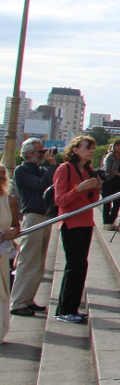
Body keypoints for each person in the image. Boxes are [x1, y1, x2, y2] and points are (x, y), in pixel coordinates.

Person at [53, 135, 102, 324]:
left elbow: (91, 201)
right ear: (75, 150)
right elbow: (60, 201)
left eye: (92, 147)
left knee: (80, 266)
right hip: (70, 222)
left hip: (85, 222)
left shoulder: (89, 170)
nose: (91, 150)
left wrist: (97, 187)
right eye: (87, 147)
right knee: (76, 265)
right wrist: (77, 188)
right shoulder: (64, 168)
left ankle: (70, 308)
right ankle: (65, 309)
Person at [9, 138, 58, 318]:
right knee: (28, 260)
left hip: (44, 216)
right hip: (33, 216)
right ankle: (18, 302)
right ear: (28, 154)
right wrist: (52, 166)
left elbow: (53, 184)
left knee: (38, 263)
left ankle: (28, 299)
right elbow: (42, 185)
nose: (43, 155)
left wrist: (52, 167)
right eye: (40, 152)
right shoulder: (22, 170)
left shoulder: (41, 170)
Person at [0, 166, 22, 342]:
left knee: (2, 293)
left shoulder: (10, 200)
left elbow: (16, 224)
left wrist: (13, 232)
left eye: (1, 178)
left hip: (2, 253)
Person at [100, 139, 120, 231]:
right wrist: (118, 173)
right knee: (107, 202)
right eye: (118, 145)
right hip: (109, 180)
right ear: (114, 147)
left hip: (119, 181)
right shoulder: (110, 156)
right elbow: (107, 169)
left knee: (117, 202)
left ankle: (112, 220)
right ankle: (106, 222)